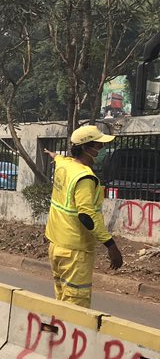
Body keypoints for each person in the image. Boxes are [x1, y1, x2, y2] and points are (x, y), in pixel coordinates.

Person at [44, 125, 124, 308]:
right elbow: (87, 216)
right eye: (99, 146)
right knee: (76, 307)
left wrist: (53, 154)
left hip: (56, 246)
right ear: (87, 148)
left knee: (62, 301)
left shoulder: (66, 165)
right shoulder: (85, 178)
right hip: (75, 251)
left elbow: (59, 159)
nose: (102, 150)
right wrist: (111, 246)